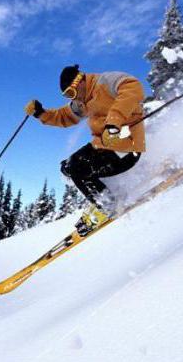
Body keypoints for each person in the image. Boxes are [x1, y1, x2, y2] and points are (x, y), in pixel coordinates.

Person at [24, 64, 146, 236]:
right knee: (67, 167)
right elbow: (64, 116)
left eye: (71, 93)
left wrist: (114, 122)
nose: (71, 98)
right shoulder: (82, 102)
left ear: (79, 81)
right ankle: (104, 196)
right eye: (67, 95)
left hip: (126, 144)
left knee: (78, 168)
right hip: (104, 145)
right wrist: (41, 113)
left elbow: (133, 87)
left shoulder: (105, 82)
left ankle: (108, 204)